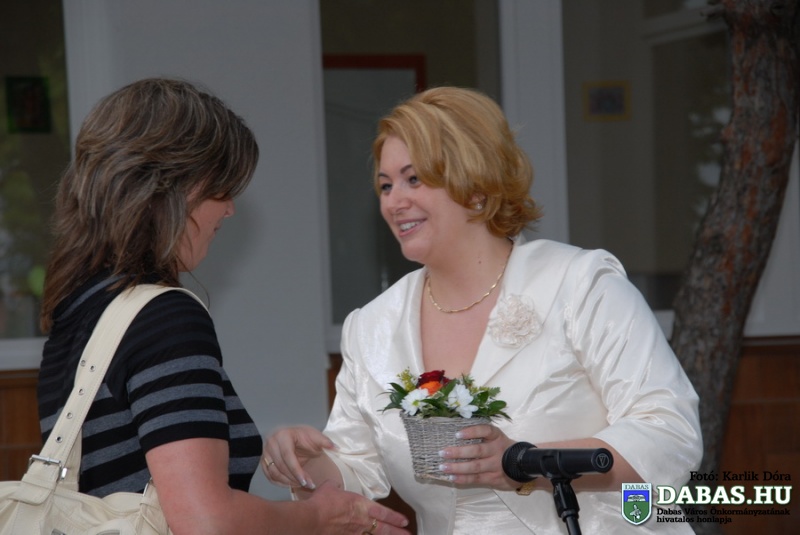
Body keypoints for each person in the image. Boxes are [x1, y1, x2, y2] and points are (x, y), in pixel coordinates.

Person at [262, 86, 703, 534]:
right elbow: (355, 467)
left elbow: (670, 433)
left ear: (475, 187)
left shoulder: (580, 285)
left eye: (414, 179)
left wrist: (522, 462)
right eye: (386, 185)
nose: (394, 201)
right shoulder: (372, 328)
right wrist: (304, 464)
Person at [36, 77, 409, 535]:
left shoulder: (77, 309)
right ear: (171, 188)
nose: (229, 209)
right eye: (221, 187)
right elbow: (205, 521)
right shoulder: (163, 317)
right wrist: (322, 516)